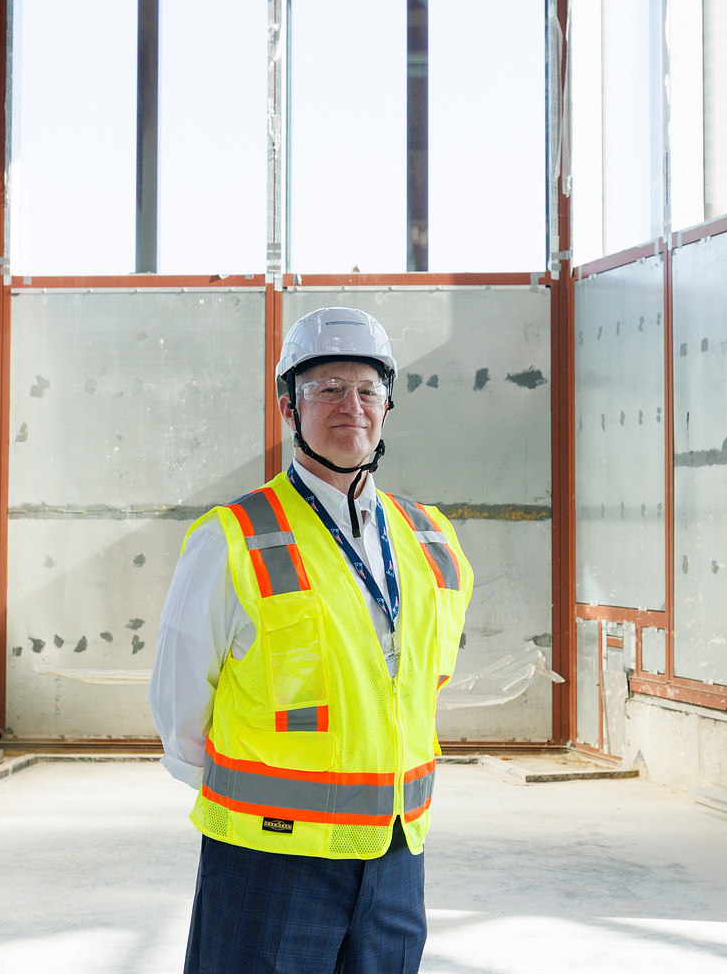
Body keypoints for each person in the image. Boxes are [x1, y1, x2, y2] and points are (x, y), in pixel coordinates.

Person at [148, 306, 473, 974]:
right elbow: (179, 705)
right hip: (268, 859)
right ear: (289, 409)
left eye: (367, 390)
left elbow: (416, 685)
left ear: (387, 408)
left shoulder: (431, 537)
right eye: (327, 389)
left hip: (394, 853)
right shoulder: (233, 537)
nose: (351, 406)